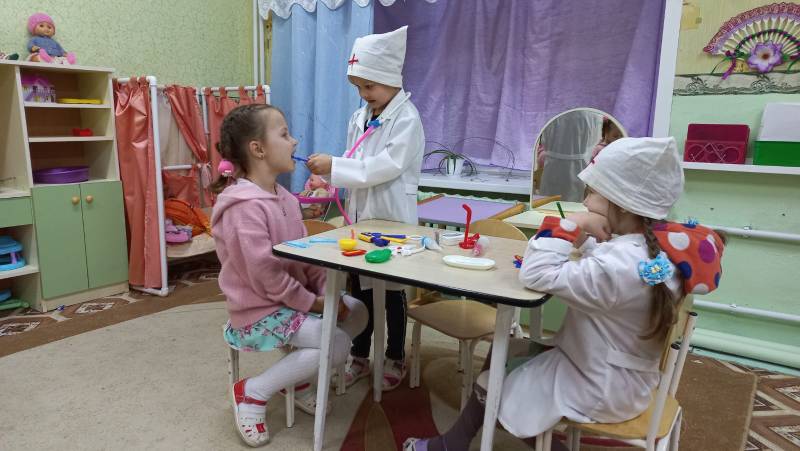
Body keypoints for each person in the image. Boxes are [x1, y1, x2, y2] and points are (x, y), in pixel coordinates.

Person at [404, 137, 726, 451]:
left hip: (599, 387)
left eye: (593, 192)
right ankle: (456, 441)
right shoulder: (649, 254)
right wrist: (584, 239)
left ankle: (455, 443)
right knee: (504, 350)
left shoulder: (618, 267)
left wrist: (568, 224)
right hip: (624, 376)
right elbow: (609, 273)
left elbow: (537, 273)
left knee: (495, 379)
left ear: (621, 202)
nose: (586, 202)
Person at [211, 104, 368, 447]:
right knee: (338, 344)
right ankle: (253, 392)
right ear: (258, 149)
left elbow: (304, 258)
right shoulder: (243, 207)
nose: (294, 142)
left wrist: (327, 294)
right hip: (258, 311)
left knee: (357, 312)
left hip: (291, 302)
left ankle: (298, 380)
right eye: (284, 134)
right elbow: (266, 276)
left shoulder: (285, 198)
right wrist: (317, 305)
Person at [307, 26, 425, 391]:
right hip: (361, 219)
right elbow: (354, 158)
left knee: (391, 294)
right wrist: (331, 174)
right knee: (359, 291)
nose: (363, 95)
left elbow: (386, 166)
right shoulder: (360, 117)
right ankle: (359, 354)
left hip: (392, 219)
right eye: (358, 88)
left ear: (390, 79)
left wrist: (336, 166)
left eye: (369, 86)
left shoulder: (407, 119)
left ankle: (395, 356)